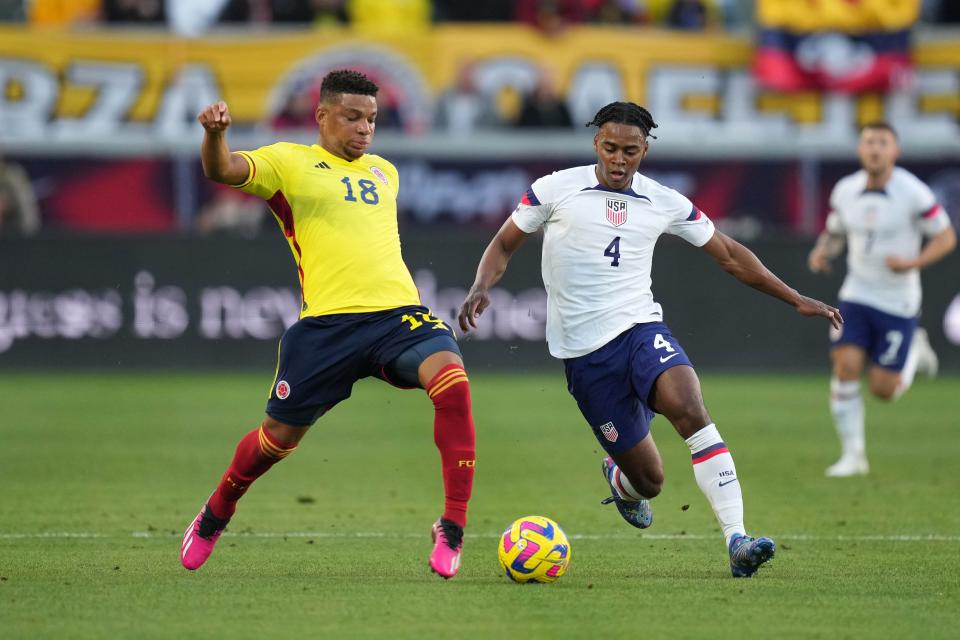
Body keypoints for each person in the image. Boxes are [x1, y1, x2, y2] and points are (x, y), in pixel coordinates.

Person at [458, 102, 842, 578]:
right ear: (596, 143)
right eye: (611, 148)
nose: (620, 160)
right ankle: (623, 481)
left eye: (632, 151)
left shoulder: (664, 201)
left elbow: (728, 254)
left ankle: (737, 539)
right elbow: (503, 243)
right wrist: (481, 286)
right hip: (585, 358)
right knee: (650, 480)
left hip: (641, 330)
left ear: (645, 150)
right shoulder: (554, 188)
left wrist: (795, 297)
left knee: (690, 408)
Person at [182, 70, 477, 579]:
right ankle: (216, 512)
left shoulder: (385, 172)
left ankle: (451, 528)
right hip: (326, 328)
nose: (365, 129)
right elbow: (222, 170)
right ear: (321, 116)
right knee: (276, 441)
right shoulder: (288, 162)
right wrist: (214, 135)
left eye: (372, 120)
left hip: (398, 316)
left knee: (452, 383)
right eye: (353, 117)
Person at [807, 121, 955, 478]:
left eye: (882, 142)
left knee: (883, 390)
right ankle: (853, 456)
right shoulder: (845, 190)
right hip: (856, 294)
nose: (874, 148)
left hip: (897, 301)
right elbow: (835, 231)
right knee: (844, 368)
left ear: (895, 151)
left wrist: (913, 263)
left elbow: (946, 236)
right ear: (860, 149)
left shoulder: (913, 192)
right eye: (869, 141)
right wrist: (823, 252)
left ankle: (914, 352)